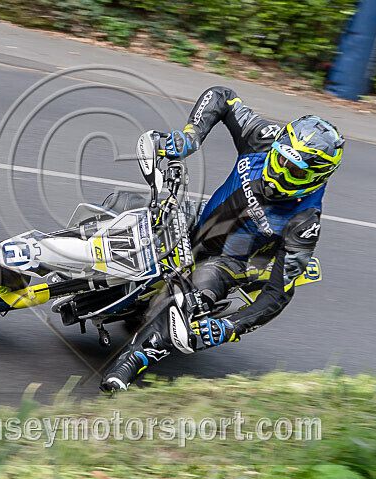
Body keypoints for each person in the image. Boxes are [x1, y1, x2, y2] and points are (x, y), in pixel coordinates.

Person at [100, 86, 345, 392]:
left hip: (225, 261)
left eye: (293, 170)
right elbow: (222, 97)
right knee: (117, 205)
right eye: (280, 158)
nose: (280, 171)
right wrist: (190, 137)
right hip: (196, 218)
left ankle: (129, 363)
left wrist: (230, 328)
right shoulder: (263, 137)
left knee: (185, 303)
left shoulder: (305, 221)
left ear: (317, 176)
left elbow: (277, 294)